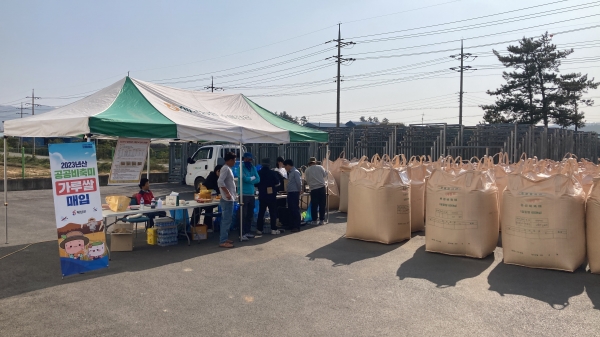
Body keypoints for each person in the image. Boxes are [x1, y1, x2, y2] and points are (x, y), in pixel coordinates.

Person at [238, 152, 260, 241]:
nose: (249, 161)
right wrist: (252, 178)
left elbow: (258, 179)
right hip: (243, 193)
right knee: (243, 214)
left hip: (251, 194)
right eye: (247, 159)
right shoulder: (240, 168)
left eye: (250, 160)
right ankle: (241, 233)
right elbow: (244, 179)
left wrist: (250, 179)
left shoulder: (253, 167)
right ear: (244, 159)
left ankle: (247, 231)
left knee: (249, 214)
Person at [217, 152, 237, 248]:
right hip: (227, 198)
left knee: (227, 219)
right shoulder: (225, 168)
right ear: (229, 160)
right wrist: (227, 193)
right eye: (234, 160)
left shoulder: (227, 168)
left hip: (229, 198)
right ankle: (223, 240)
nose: (235, 162)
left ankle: (225, 237)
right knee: (226, 220)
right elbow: (220, 181)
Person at [256, 158, 281, 235]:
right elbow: (278, 183)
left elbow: (256, 184)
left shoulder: (258, 173)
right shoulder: (272, 173)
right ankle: (273, 229)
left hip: (262, 194)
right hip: (271, 195)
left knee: (261, 212)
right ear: (269, 164)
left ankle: (259, 229)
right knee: (272, 212)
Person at [304, 157, 327, 226]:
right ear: (315, 162)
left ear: (309, 163)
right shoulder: (320, 167)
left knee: (314, 205)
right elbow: (325, 175)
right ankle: (321, 220)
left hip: (313, 189)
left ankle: (314, 220)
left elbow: (307, 180)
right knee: (322, 204)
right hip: (321, 188)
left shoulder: (307, 170)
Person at [284, 159, 302, 232]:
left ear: (288, 165)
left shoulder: (295, 172)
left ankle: (297, 226)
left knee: (295, 209)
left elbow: (299, 182)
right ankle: (291, 225)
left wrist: (300, 190)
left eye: (285, 166)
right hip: (290, 193)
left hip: (294, 193)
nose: (285, 168)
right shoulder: (290, 172)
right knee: (290, 209)